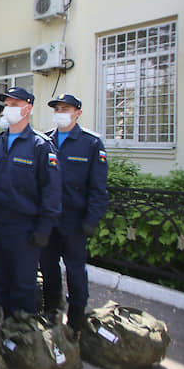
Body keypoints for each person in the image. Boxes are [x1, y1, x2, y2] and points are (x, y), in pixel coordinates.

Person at [0, 87, 62, 316]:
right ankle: (7, 331)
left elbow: (51, 192)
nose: (9, 109)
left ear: (28, 108)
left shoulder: (40, 146)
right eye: (7, 105)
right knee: (1, 280)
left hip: (25, 228)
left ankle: (24, 336)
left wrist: (44, 229)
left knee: (24, 285)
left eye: (15, 105)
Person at [42, 94, 108, 334]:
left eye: (66, 108)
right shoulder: (45, 141)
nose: (61, 112)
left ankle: (77, 315)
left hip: (75, 221)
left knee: (75, 269)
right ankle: (51, 309)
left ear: (77, 112)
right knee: (48, 267)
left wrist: (91, 220)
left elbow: (99, 188)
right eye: (57, 108)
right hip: (49, 220)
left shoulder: (91, 143)